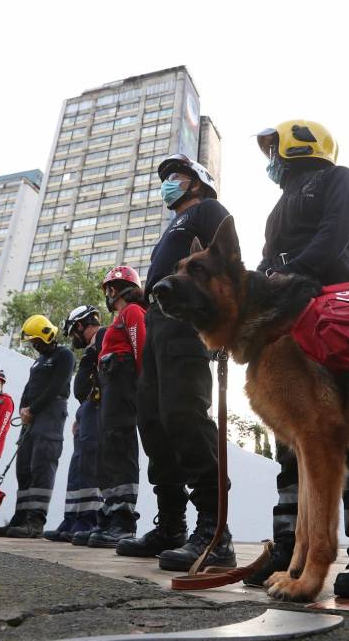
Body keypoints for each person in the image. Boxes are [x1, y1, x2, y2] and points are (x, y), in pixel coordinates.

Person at [245, 120, 349, 598]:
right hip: (284, 320)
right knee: (292, 440)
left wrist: (289, 273)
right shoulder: (278, 206)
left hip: (338, 310)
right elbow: (265, 260)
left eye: (274, 149)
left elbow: (334, 236)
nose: (270, 160)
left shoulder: (338, 179)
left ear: (299, 142)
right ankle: (289, 550)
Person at [116, 154, 236, 572]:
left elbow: (226, 265)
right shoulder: (173, 226)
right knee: (153, 420)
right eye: (165, 178)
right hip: (156, 323)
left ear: (199, 183)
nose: (167, 183)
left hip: (187, 322)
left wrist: (221, 322)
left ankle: (215, 532)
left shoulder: (208, 211)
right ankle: (171, 525)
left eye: (176, 177)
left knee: (184, 415)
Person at [75, 267, 146, 548]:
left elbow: (140, 346)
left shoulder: (131, 313)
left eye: (108, 290)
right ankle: (110, 510)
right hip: (110, 392)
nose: (107, 295)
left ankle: (124, 520)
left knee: (121, 448)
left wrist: (143, 386)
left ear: (115, 289)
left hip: (124, 389)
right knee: (108, 452)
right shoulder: (119, 318)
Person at [0, 315, 75, 538]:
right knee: (24, 469)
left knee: (41, 467)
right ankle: (20, 518)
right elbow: (30, 387)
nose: (34, 345)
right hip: (31, 418)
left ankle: (35, 522)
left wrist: (33, 409)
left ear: (47, 335)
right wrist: (23, 409)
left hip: (50, 416)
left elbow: (56, 387)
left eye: (36, 341)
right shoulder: (38, 361)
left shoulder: (63, 355)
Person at [45, 305, 105, 543]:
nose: (73, 337)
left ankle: (89, 521)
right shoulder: (92, 348)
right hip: (87, 409)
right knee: (78, 467)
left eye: (73, 331)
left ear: (80, 324)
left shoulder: (104, 337)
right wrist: (81, 414)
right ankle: (71, 520)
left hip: (99, 407)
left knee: (91, 465)